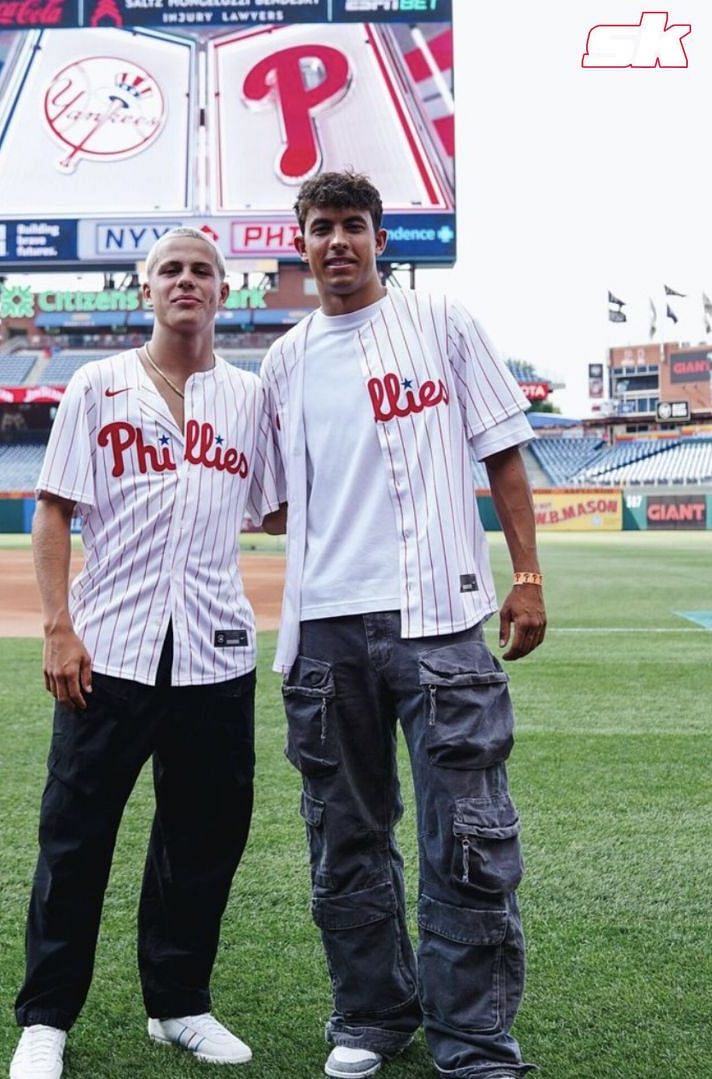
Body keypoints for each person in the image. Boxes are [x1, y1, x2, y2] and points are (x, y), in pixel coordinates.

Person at [257, 170, 543, 1079]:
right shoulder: (284, 361)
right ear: (299, 245)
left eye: (352, 225)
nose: (336, 242)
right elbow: (269, 505)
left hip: (440, 617)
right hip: (325, 633)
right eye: (319, 229)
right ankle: (372, 1014)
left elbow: (502, 447)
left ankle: (473, 1037)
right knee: (343, 833)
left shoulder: (443, 322)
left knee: (465, 831)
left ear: (380, 237)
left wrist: (527, 574)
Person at [10, 228, 275, 1078]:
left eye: (202, 270)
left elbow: (275, 510)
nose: (186, 281)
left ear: (223, 291)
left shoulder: (251, 396)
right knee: (75, 841)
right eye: (172, 270)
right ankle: (47, 1018)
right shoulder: (98, 384)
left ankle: (180, 1004)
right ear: (146, 288)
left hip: (215, 649)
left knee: (202, 840)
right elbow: (53, 509)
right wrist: (58, 623)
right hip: (110, 648)